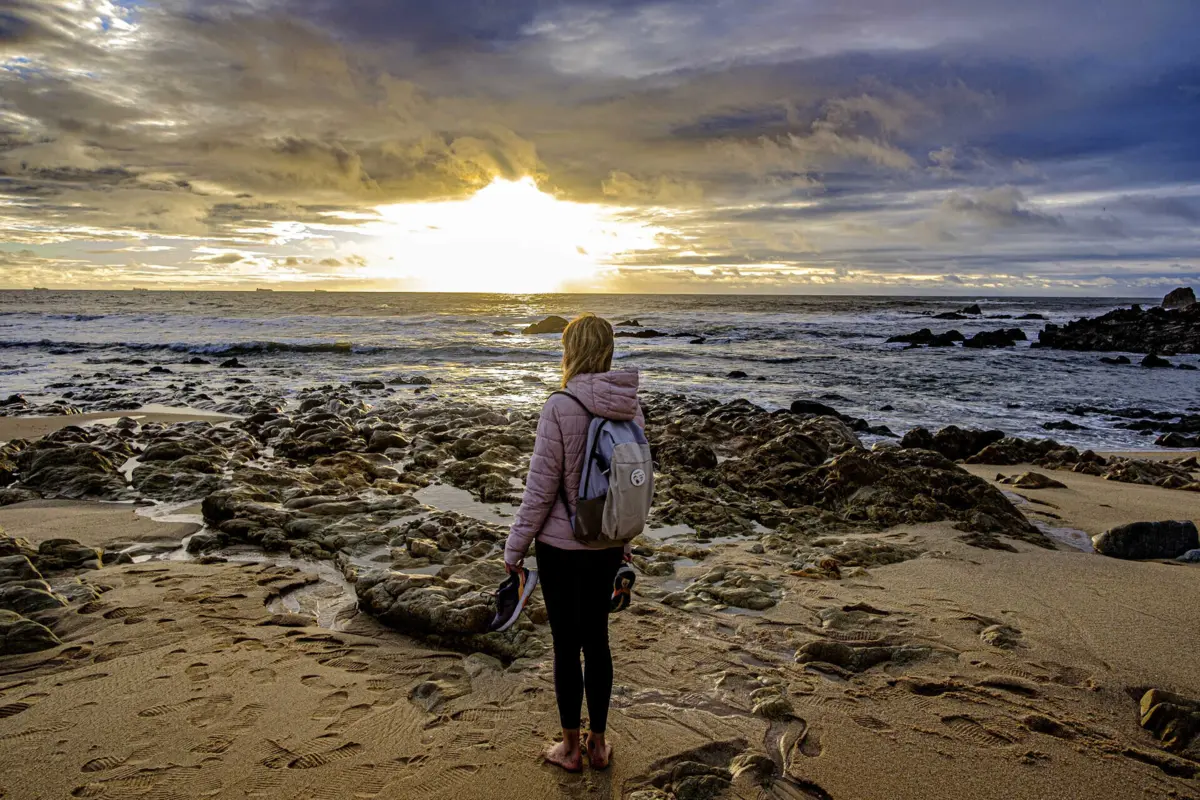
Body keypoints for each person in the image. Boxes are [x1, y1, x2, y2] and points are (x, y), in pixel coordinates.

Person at [503, 313, 645, 773]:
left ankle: (568, 749)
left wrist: (515, 547)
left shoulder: (559, 405)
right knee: (597, 641)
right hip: (607, 540)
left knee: (567, 646)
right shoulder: (629, 405)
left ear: (571, 350)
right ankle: (599, 745)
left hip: (562, 549)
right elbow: (630, 482)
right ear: (607, 350)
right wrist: (624, 544)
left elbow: (540, 490)